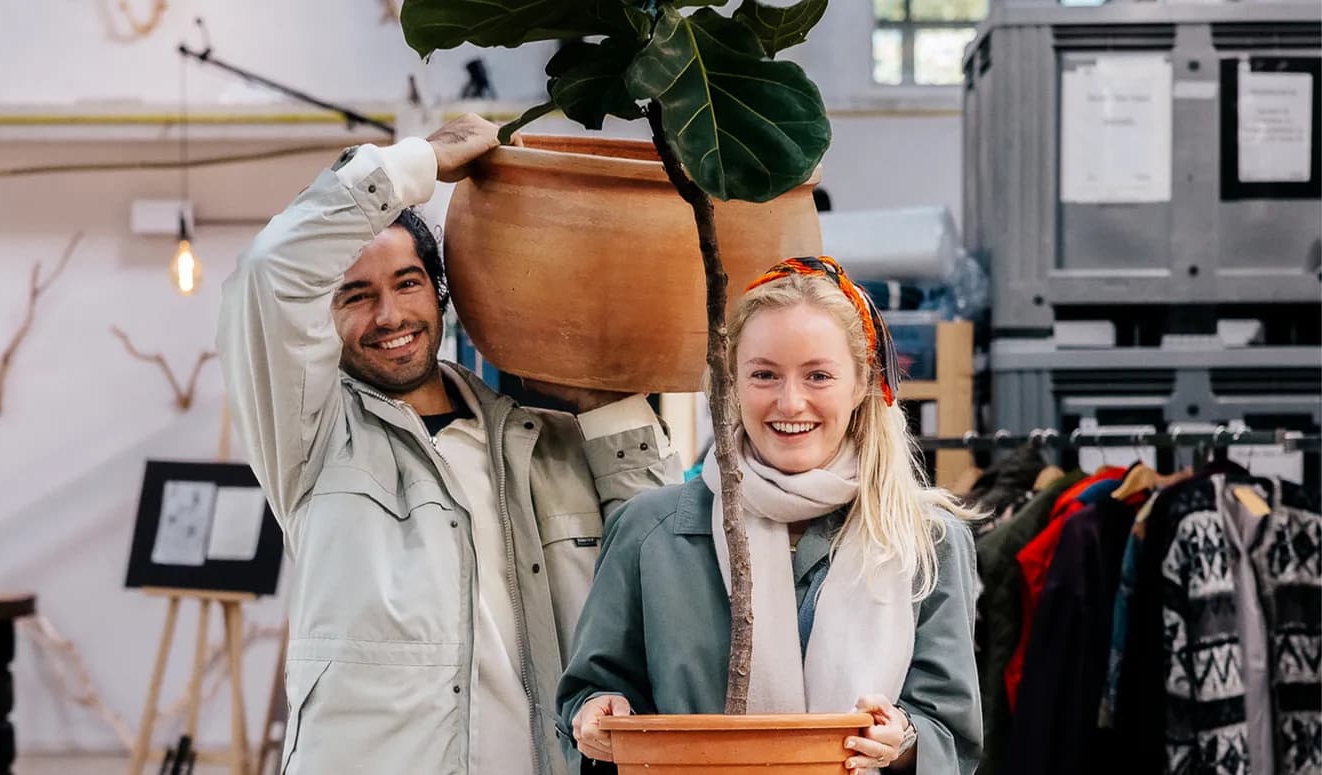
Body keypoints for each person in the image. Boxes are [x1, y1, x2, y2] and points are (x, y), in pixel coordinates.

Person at [217, 114, 682, 775]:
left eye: (407, 283)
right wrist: (419, 163)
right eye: (356, 295)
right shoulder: (312, 440)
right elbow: (270, 269)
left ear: (440, 295)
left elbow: (659, 562)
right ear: (326, 315)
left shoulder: (551, 445)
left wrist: (602, 393)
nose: (389, 316)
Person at [557, 256, 984, 774]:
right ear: (731, 383)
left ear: (861, 385)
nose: (791, 402)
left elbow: (951, 734)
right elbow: (590, 693)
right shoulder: (649, 532)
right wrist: (594, 713)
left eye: (818, 376)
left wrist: (904, 739)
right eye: (764, 374)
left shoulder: (927, 540)